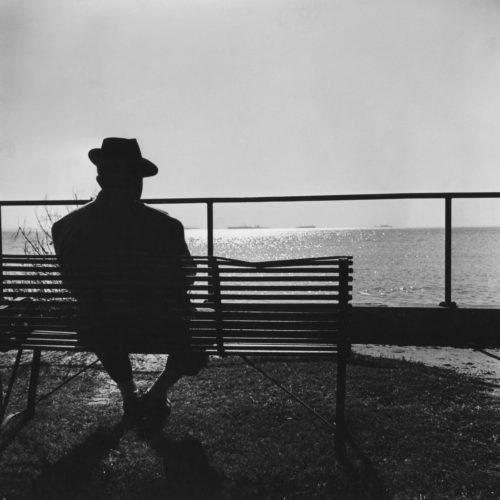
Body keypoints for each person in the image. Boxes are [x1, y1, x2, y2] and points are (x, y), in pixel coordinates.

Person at [52, 137, 207, 428]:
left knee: (98, 315)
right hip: (159, 327)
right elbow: (187, 278)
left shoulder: (65, 227)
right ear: (135, 180)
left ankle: (129, 394)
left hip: (96, 328)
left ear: (100, 178)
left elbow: (71, 284)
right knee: (201, 326)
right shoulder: (165, 226)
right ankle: (158, 393)